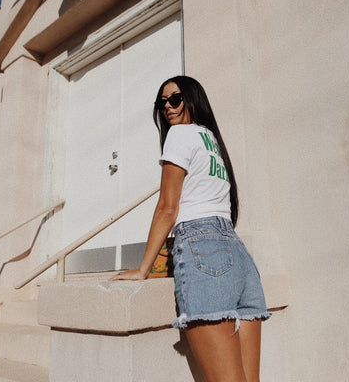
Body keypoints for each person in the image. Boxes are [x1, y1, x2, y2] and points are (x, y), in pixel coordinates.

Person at [111, 76, 270, 381]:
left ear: (193, 99)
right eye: (162, 103)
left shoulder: (180, 136)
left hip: (205, 252)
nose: (167, 108)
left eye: (175, 99)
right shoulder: (211, 140)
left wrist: (143, 268)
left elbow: (168, 208)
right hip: (239, 259)